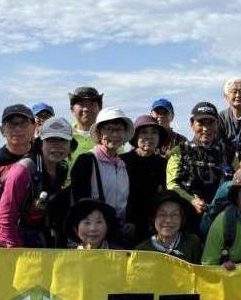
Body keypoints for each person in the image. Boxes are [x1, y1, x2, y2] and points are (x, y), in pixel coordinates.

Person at [0, 117, 75, 248]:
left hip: (40, 240)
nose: (57, 146)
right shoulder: (22, 171)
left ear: (71, 146)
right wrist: (16, 250)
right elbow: (5, 217)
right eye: (51, 141)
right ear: (40, 144)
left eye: (63, 141)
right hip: (13, 242)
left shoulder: (62, 169)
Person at [166, 102, 233, 229]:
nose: (206, 129)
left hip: (221, 215)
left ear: (217, 123)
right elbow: (172, 185)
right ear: (191, 124)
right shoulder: (179, 151)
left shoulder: (228, 152)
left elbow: (237, 181)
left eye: (211, 123)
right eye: (201, 123)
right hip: (188, 212)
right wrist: (192, 200)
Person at [71, 108, 135, 241]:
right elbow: (79, 203)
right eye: (109, 129)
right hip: (93, 235)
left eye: (119, 130)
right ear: (99, 133)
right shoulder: (86, 161)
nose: (115, 134)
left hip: (118, 234)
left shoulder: (124, 165)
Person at [121, 116, 168, 243]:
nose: (149, 136)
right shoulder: (122, 161)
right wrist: (129, 220)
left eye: (154, 132)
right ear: (135, 136)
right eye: (144, 132)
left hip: (154, 227)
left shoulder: (163, 163)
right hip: (125, 225)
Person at [135, 191, 203, 264]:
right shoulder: (142, 250)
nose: (168, 220)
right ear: (153, 218)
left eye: (174, 215)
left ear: (182, 218)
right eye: (162, 214)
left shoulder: (192, 243)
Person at [68, 86, 103, 168]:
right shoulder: (64, 135)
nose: (86, 109)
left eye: (91, 104)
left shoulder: (109, 137)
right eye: (81, 104)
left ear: (100, 108)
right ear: (72, 109)